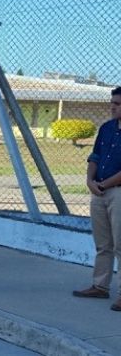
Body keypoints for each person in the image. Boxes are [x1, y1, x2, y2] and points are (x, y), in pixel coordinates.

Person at [73, 86, 121, 311]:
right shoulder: (107, 128)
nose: (113, 106)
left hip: (116, 191)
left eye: (118, 104)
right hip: (99, 191)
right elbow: (95, 156)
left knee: (120, 244)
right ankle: (100, 286)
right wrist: (90, 180)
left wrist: (104, 183)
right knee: (103, 243)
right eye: (112, 102)